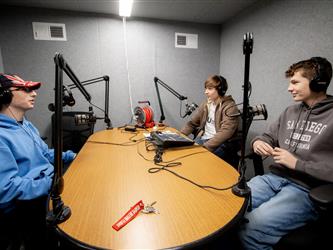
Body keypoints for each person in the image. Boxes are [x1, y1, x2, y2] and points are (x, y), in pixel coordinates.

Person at [239, 57, 333, 249]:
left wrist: (298, 164)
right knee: (232, 208)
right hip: (274, 178)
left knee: (252, 228)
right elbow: (267, 136)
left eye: (295, 82)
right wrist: (259, 143)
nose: (289, 88)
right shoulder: (290, 111)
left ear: (318, 82)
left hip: (306, 189)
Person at [0, 73, 76, 249]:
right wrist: (51, 184)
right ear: (4, 94)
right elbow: (7, 189)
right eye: (26, 89)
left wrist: (72, 156)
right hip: (28, 205)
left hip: (49, 186)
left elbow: (44, 154)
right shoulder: (2, 137)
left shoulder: (25, 124)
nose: (34, 94)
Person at [180, 75, 240, 164]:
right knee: (184, 155)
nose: (206, 92)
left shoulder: (230, 107)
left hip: (221, 143)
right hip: (204, 138)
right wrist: (179, 137)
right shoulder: (206, 104)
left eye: (210, 89)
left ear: (220, 90)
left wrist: (204, 148)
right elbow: (192, 123)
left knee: (197, 161)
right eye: (206, 88)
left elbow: (226, 132)